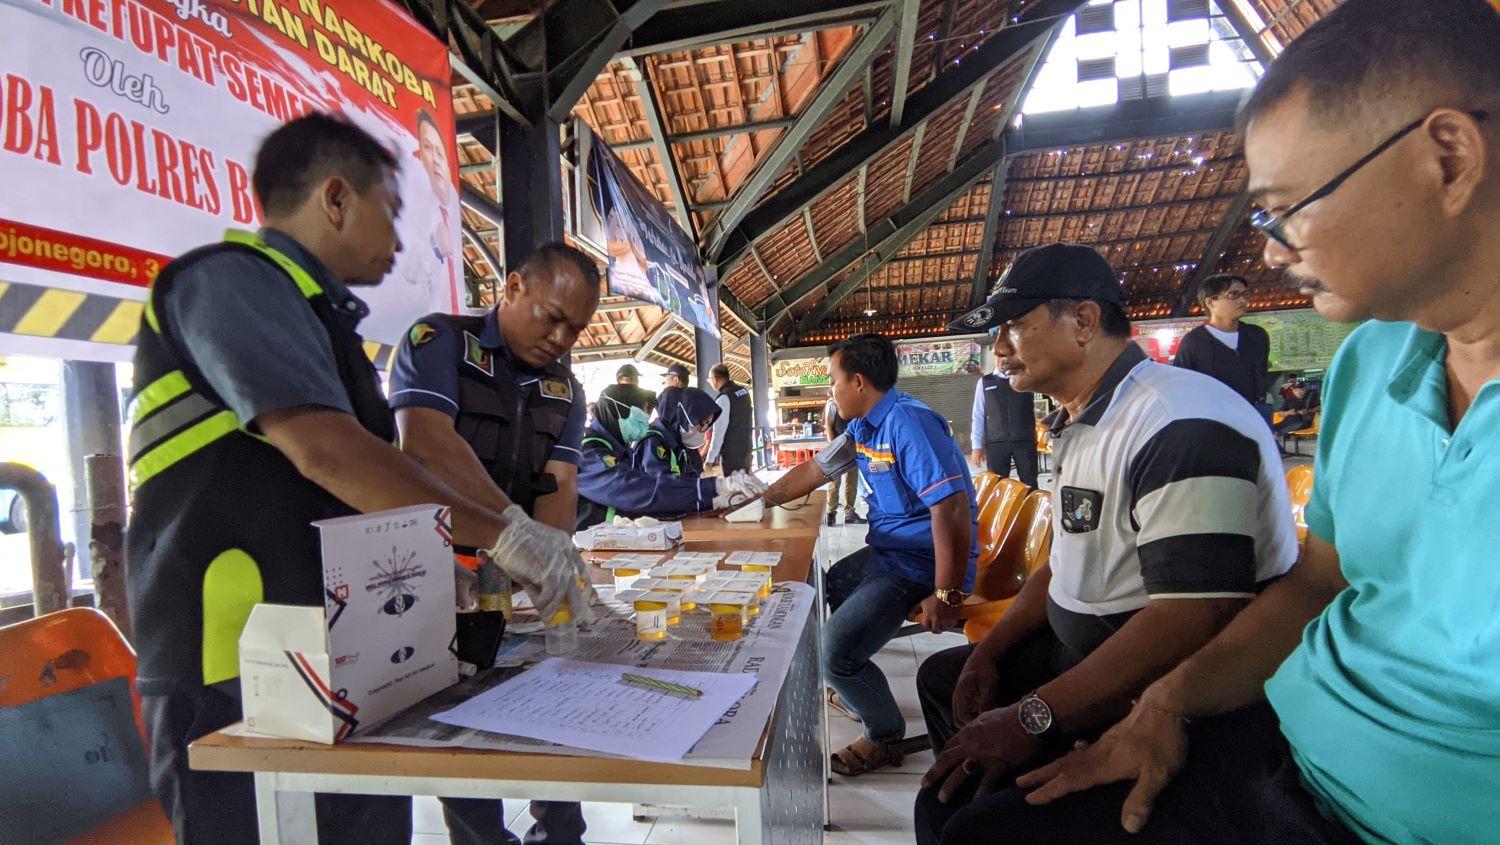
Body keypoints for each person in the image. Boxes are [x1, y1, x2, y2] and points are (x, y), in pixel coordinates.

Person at [995, 4, 1500, 843]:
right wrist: (1168, 703)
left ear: (1448, 158)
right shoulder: (1372, 361)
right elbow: (1317, 581)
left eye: (1285, 209)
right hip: (1283, 749)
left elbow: (1195, 603)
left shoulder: (1179, 418)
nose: (1267, 252)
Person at [124, 113, 590, 845]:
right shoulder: (228, 284)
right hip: (229, 667)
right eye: (392, 213)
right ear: (336, 198)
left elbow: (355, 494)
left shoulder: (321, 325)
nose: (400, 241)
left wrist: (440, 571)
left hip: (335, 657)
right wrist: (507, 536)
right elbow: (332, 455)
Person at [914, 243, 1298, 844]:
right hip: (1083, 652)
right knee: (949, 682)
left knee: (963, 825)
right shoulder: (1085, 414)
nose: (1000, 348)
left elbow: (1193, 617)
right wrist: (991, 653)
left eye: (1015, 325)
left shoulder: (1178, 423)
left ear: (1085, 322)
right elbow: (1061, 562)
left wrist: (1034, 716)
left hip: (1172, 692)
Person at [387, 243, 599, 845]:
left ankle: (561, 834)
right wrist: (512, 528)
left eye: (576, 328)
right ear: (511, 288)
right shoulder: (442, 345)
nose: (561, 337)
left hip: (514, 574)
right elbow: (426, 446)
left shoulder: (566, 391)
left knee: (554, 702)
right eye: (552, 316)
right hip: (437, 573)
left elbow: (559, 483)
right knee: (458, 724)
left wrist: (550, 556)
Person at [761, 334, 978, 777]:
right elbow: (815, 469)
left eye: (833, 382)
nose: (830, 392)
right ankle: (855, 676)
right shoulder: (864, 426)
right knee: (825, 584)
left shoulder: (909, 423)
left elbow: (951, 509)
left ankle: (884, 733)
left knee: (830, 652)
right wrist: (756, 499)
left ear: (858, 382)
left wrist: (947, 592)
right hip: (889, 552)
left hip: (919, 562)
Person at [577, 387, 763, 528]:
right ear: (615, 411)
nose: (646, 419)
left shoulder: (619, 450)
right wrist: (712, 489)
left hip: (614, 540)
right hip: (590, 547)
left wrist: (714, 496)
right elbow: (636, 489)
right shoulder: (588, 452)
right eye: (641, 413)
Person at [1172, 274, 1273, 422]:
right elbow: (1183, 388)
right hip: (1213, 423)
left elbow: (1261, 376)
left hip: (1253, 419)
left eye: (1245, 295)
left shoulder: (1257, 336)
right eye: (1234, 295)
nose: (1243, 300)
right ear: (1210, 302)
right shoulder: (1194, 342)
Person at [969, 334, 1039, 487]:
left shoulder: (1026, 378)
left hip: (1024, 441)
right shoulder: (985, 382)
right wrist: (976, 446)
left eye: (1006, 356)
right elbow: (978, 415)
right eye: (998, 356)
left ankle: (1029, 511)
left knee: (1030, 484)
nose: (1002, 360)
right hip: (996, 442)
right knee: (997, 486)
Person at [822, 396, 865, 526]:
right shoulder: (832, 404)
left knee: (851, 481)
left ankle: (849, 513)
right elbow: (828, 426)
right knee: (834, 481)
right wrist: (833, 446)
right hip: (837, 447)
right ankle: (831, 512)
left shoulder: (855, 401)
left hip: (853, 446)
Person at [705, 363, 753, 473]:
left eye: (709, 380)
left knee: (734, 486)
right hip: (746, 449)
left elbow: (718, 432)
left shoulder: (723, 398)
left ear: (715, 379)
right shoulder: (744, 391)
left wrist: (710, 459)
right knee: (744, 482)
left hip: (732, 455)